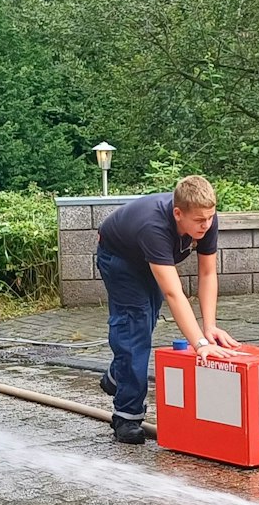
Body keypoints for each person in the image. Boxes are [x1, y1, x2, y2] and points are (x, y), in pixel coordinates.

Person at [94, 176, 242, 444]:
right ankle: (127, 416)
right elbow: (175, 293)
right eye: (199, 220)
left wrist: (209, 327)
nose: (206, 225)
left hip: (148, 256)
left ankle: (117, 375)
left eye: (210, 217)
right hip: (120, 259)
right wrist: (198, 344)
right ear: (178, 213)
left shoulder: (206, 218)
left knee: (147, 318)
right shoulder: (154, 226)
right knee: (134, 328)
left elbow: (207, 273)